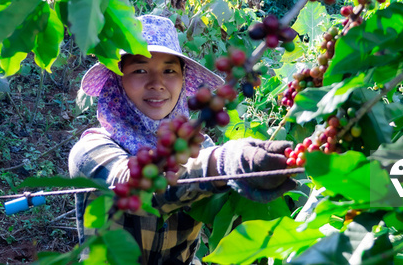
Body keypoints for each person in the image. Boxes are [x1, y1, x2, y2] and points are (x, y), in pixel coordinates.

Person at [69, 15, 295, 264]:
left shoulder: (198, 146)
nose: (157, 83)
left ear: (183, 80)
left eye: (169, 70)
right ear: (116, 79)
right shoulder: (90, 151)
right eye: (140, 70)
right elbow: (138, 187)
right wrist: (221, 163)